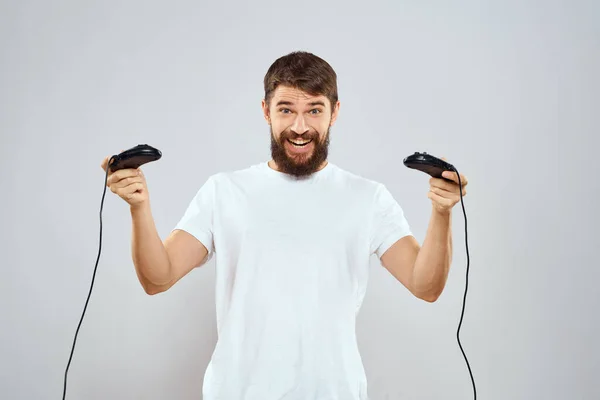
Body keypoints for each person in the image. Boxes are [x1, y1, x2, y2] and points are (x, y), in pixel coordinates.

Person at [101, 51, 468, 400]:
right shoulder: (224, 191)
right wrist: (139, 206)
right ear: (265, 111)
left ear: (335, 112)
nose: (299, 126)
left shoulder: (368, 198)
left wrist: (442, 212)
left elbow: (426, 286)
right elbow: (157, 277)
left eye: (314, 110)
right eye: (286, 109)